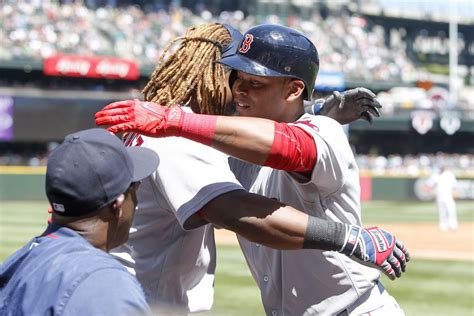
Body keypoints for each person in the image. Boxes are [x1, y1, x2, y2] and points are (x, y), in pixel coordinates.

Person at [96, 24, 410, 315]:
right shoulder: (230, 147)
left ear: (293, 90)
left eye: (255, 83)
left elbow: (290, 146)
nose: (239, 91)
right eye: (237, 79)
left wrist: (177, 121)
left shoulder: (322, 132)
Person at [0, 128, 159, 315]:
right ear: (117, 203)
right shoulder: (106, 286)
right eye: (134, 186)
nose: (137, 200)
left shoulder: (20, 260)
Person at [434, 165, 458, 231]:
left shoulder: (442, 175)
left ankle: (446, 225)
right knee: (448, 211)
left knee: (445, 211)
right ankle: (450, 225)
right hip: (444, 196)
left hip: (444, 196)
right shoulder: (445, 174)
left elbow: (454, 185)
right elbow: (455, 186)